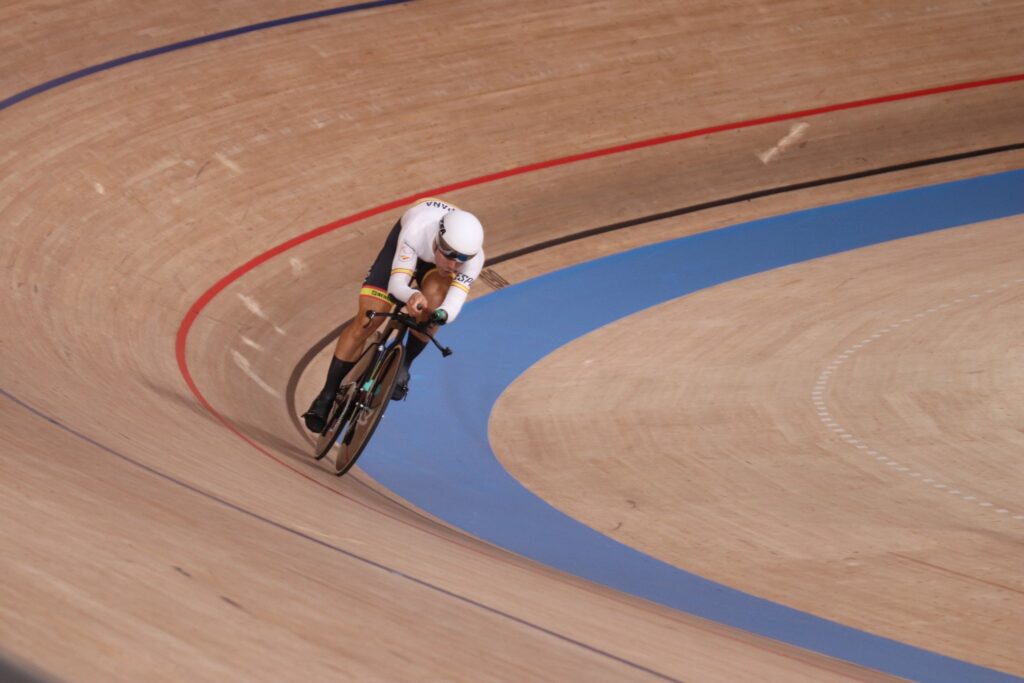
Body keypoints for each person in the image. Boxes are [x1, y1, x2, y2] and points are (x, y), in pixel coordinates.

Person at [303, 197, 485, 432]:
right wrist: (411, 295)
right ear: (438, 244)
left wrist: (439, 314)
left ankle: (404, 364)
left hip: (432, 269)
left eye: (462, 260)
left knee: (434, 306)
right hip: (404, 249)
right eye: (449, 256)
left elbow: (454, 304)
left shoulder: (473, 258)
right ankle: (326, 395)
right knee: (370, 319)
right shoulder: (416, 232)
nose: (453, 266)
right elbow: (396, 285)